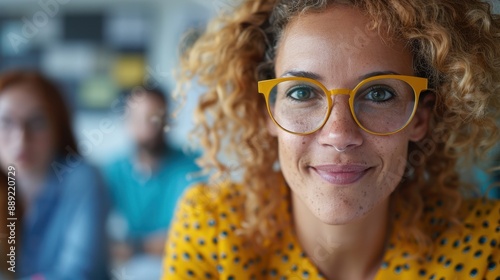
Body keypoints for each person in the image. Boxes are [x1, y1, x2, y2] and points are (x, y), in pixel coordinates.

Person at [162, 0, 500, 279]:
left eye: (379, 93)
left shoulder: (486, 244)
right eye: (302, 92)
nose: (339, 134)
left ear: (420, 117)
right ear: (268, 112)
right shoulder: (212, 229)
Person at [0, 70, 109, 279]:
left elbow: (76, 273)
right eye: (6, 122)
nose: (21, 140)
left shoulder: (82, 179)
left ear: (58, 127)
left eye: (37, 122)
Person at [103, 87, 201, 279]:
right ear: (127, 122)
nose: (149, 128)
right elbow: (97, 236)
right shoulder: (114, 171)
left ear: (169, 121)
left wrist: (133, 247)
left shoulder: (192, 167)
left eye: (156, 118)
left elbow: (190, 238)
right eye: (139, 119)